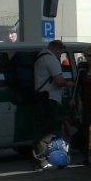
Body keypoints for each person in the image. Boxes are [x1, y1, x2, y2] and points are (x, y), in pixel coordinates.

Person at [32, 40, 75, 170]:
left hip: (41, 98)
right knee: (46, 131)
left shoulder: (40, 56)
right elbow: (58, 80)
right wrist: (69, 83)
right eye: (61, 52)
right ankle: (42, 160)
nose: (61, 55)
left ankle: (42, 159)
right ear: (57, 49)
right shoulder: (51, 59)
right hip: (49, 99)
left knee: (42, 130)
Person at [71, 45, 91, 160]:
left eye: (89, 56)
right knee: (86, 127)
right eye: (86, 56)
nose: (87, 58)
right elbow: (77, 85)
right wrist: (73, 98)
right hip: (86, 102)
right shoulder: (83, 69)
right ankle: (86, 153)